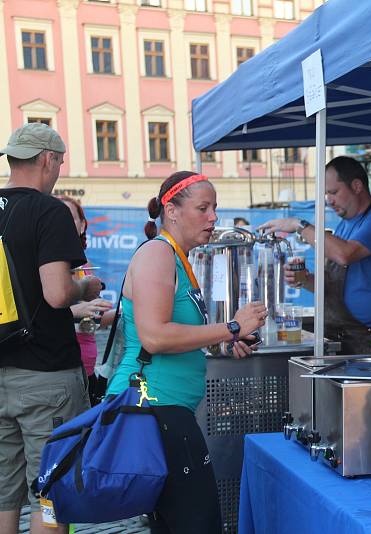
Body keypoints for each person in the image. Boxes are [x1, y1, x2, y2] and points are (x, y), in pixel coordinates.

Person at [104, 171, 267, 534]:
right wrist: (233, 326)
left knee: (177, 523)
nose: (213, 218)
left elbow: (178, 331)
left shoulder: (180, 259)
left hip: (166, 409)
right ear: (172, 211)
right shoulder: (157, 254)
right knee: (198, 522)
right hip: (152, 408)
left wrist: (223, 341)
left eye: (215, 209)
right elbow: (155, 337)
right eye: (203, 208)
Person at [0, 123, 102, 534]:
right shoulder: (48, 210)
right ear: (47, 159)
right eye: (59, 162)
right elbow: (58, 293)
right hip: (46, 376)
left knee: (3, 492)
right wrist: (87, 286)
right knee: (51, 493)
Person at [260, 156, 371, 354]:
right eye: (325, 194)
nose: (328, 200)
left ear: (356, 186)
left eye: (333, 192)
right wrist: (304, 279)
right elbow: (330, 284)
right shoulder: (344, 226)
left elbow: (344, 254)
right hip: (352, 338)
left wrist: (299, 225)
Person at [58, 195, 114, 405]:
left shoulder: (85, 263)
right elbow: (43, 314)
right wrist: (82, 310)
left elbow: (93, 322)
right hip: (64, 368)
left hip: (88, 364)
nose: (64, 223)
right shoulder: (47, 264)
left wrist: (120, 313)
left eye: (70, 217)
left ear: (83, 225)